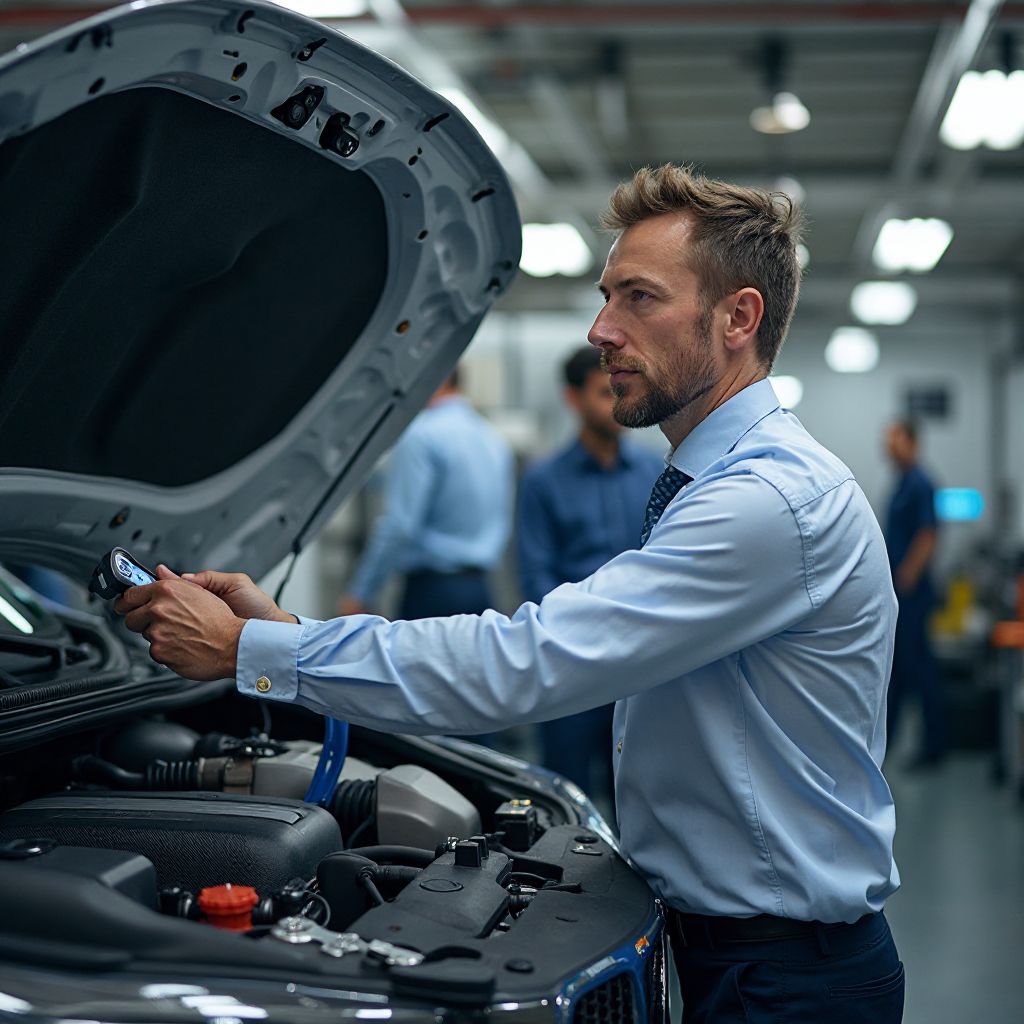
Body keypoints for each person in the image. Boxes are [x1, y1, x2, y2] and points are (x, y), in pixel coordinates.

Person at [116, 164, 904, 1023]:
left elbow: (524, 661)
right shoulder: (726, 483)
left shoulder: (767, 503)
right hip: (737, 953)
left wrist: (251, 650)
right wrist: (289, 630)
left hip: (785, 978)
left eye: (639, 297)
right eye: (607, 297)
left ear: (737, 319)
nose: (602, 330)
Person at [518, 345, 662, 799]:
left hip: (639, 666)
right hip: (571, 665)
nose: (616, 402)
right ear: (573, 399)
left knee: (639, 797)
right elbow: (536, 575)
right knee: (565, 797)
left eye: (619, 390)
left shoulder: (655, 473)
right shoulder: (544, 481)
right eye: (604, 392)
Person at [337, 370, 513, 621]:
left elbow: (400, 525)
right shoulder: (491, 437)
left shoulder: (421, 435)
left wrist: (361, 593)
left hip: (431, 593)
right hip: (480, 591)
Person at [884, 418, 945, 767]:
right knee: (903, 670)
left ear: (911, 442)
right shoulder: (903, 483)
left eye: (894, 439)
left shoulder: (920, 483)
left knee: (918, 669)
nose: (888, 447)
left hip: (913, 594)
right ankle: (889, 744)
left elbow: (928, 534)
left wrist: (907, 575)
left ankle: (933, 745)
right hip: (903, 592)